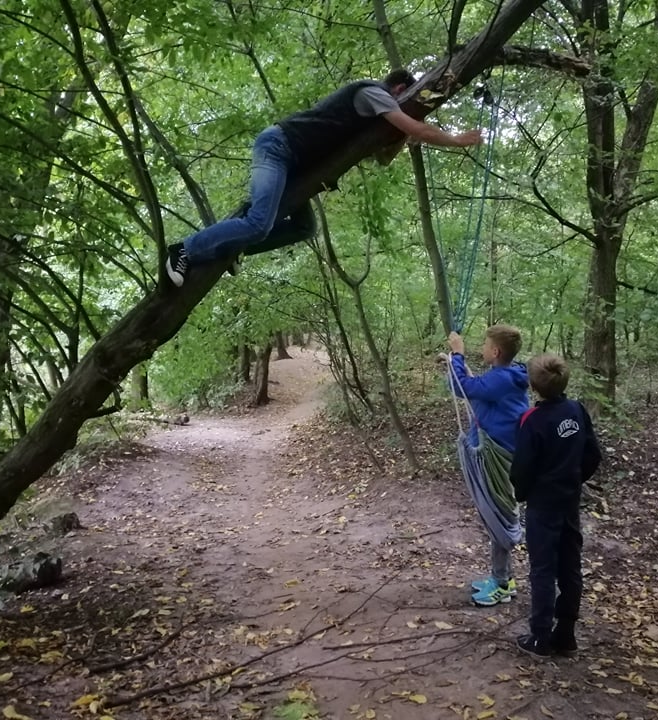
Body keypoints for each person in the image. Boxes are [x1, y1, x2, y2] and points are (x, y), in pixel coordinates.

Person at [165, 68, 482, 287]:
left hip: (296, 164)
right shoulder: (373, 93)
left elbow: (384, 158)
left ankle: (232, 249)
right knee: (258, 222)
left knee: (305, 228)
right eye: (405, 99)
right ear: (400, 90)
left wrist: (400, 137)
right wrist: (455, 139)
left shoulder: (376, 111)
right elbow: (416, 128)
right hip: (278, 146)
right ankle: (183, 250)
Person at [510, 354, 602, 658]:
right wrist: (574, 480)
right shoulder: (576, 410)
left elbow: (521, 468)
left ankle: (541, 638)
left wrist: (522, 494)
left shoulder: (532, 420)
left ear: (533, 386)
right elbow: (592, 454)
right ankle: (565, 634)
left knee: (543, 569)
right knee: (569, 565)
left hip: (543, 506)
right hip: (568, 502)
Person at [446, 326, 529, 606]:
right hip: (499, 453)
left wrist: (457, 354)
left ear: (495, 352)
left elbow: (461, 388)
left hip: (499, 457)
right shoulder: (504, 376)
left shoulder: (502, 380)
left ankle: (501, 584)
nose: (481, 347)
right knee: (497, 514)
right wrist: (455, 363)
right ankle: (504, 576)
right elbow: (476, 390)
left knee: (498, 516)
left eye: (484, 344)